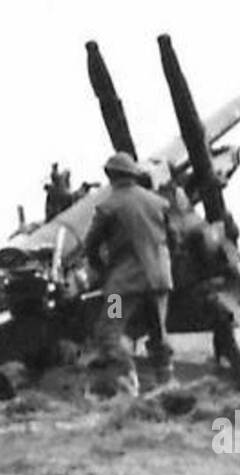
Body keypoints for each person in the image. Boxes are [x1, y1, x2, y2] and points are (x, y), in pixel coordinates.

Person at [82, 151, 176, 397]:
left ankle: (126, 382)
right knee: (158, 333)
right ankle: (166, 384)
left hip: (121, 288)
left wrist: (103, 271)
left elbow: (90, 246)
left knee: (108, 332)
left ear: (110, 176)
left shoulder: (107, 207)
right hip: (159, 283)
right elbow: (173, 239)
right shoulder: (158, 203)